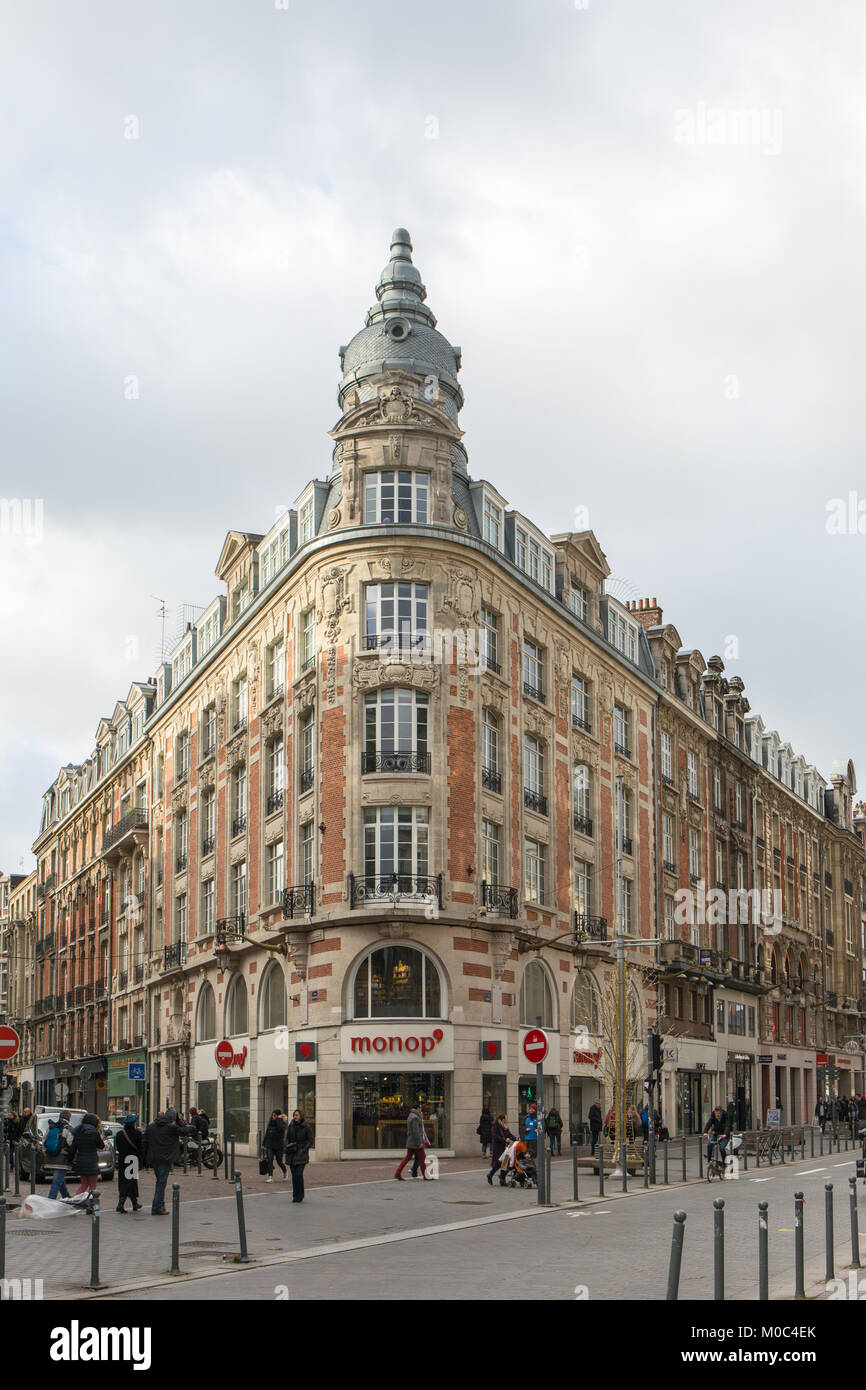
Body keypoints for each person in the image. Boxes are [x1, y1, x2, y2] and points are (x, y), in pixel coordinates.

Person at [143, 1110, 191, 1214]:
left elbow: (145, 1141)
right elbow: (185, 1131)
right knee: (161, 1183)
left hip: (154, 1158)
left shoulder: (151, 1126)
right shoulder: (171, 1127)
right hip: (165, 1158)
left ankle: (160, 1205)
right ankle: (157, 1207)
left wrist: (146, 1158)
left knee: (159, 1181)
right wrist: (179, 1121)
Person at [68, 1112, 105, 1194]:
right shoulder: (94, 1132)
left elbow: (73, 1148)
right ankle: (90, 1204)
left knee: (84, 1185)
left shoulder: (78, 1131)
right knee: (92, 1186)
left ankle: (78, 1201)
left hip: (81, 1160)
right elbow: (101, 1146)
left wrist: (70, 1160)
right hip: (92, 1160)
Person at [115, 1115, 144, 1213]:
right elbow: (140, 1147)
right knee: (129, 1181)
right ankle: (120, 1204)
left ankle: (134, 1203)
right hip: (132, 1159)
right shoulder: (137, 1134)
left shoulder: (119, 1134)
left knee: (127, 1181)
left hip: (122, 1159)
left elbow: (118, 1147)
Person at [394, 1102, 428, 1182]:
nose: (421, 1109)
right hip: (415, 1143)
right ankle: (426, 1176)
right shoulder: (415, 1117)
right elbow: (415, 1132)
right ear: (417, 1109)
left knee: (407, 1158)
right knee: (422, 1158)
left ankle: (398, 1173)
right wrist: (419, 1143)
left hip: (411, 1142)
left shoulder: (411, 1116)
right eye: (420, 1108)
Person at [286, 1109, 314, 1201]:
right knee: (294, 1176)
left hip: (301, 1154)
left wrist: (303, 1149)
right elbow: (287, 1139)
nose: (295, 1117)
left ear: (301, 1116)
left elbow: (310, 1141)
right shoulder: (291, 1126)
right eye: (294, 1115)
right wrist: (287, 1146)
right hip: (292, 1153)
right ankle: (295, 1195)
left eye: (297, 1115)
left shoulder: (306, 1127)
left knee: (299, 1174)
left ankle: (300, 1195)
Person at [46, 1111, 75, 1199]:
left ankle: (67, 1197)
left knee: (59, 1179)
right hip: (62, 1159)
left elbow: (44, 1141)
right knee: (57, 1181)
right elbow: (71, 1143)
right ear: (69, 1118)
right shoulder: (68, 1129)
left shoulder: (51, 1127)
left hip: (51, 1157)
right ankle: (50, 1201)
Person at [487, 1113, 516, 1185]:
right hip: (498, 1147)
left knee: (505, 1163)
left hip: (505, 1147)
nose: (506, 1120)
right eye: (506, 1118)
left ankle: (502, 1180)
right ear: (502, 1119)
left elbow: (509, 1134)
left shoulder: (505, 1126)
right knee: (498, 1163)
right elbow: (495, 1136)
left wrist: (515, 1138)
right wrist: (504, 1140)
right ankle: (490, 1175)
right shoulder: (495, 1126)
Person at [263, 1109, 288, 1181]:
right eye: (272, 1115)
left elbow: (281, 1129)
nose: (273, 1117)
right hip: (270, 1144)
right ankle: (270, 1176)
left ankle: (285, 1172)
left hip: (278, 1145)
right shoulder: (270, 1122)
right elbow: (267, 1133)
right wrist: (263, 1143)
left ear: (278, 1116)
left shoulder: (282, 1123)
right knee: (270, 1160)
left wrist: (279, 1119)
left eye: (275, 1115)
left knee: (279, 1161)